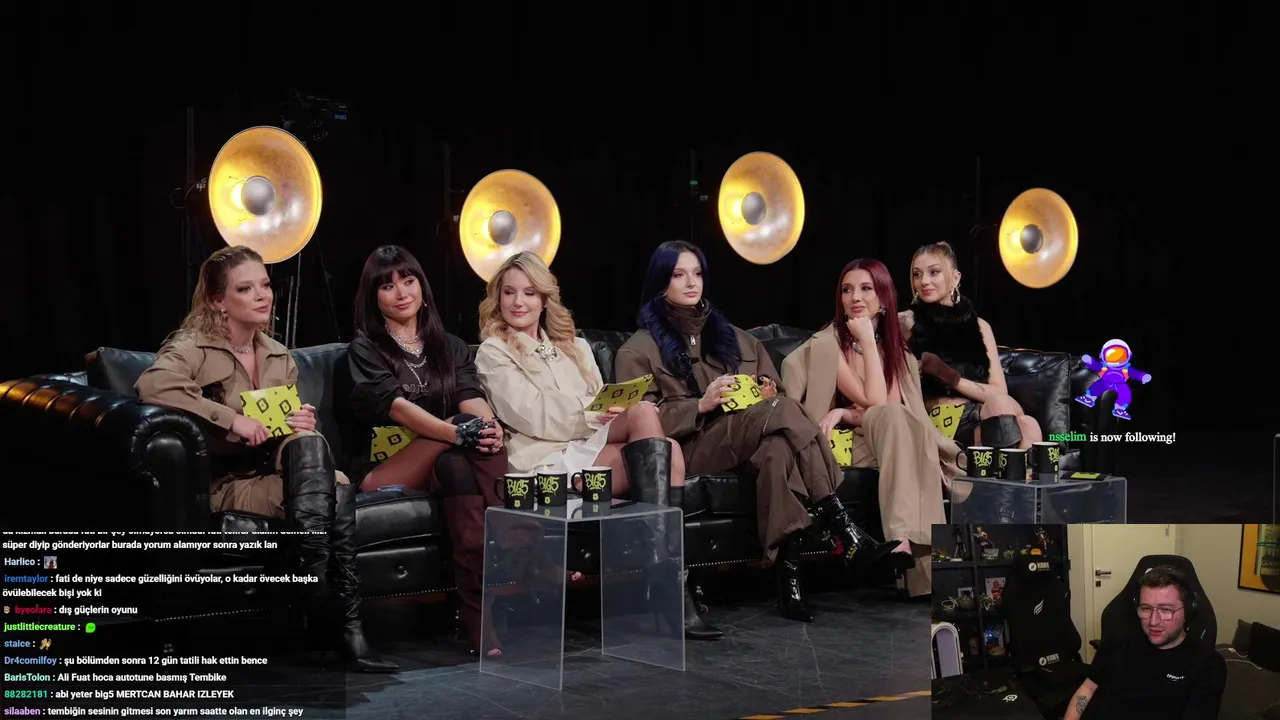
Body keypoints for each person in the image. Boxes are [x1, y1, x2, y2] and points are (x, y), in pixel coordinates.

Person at [615, 240, 907, 624]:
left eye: (697, 273)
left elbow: (778, 396)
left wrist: (766, 392)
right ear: (660, 282)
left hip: (749, 438)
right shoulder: (637, 349)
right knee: (783, 415)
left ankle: (789, 578)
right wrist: (701, 404)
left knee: (779, 448)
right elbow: (643, 426)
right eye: (678, 274)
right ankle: (843, 529)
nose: (691, 282)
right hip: (692, 447)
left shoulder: (738, 338)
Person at [135, 245, 396, 673]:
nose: (262, 296)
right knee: (336, 488)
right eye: (245, 289)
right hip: (227, 484)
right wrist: (231, 419)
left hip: (278, 477)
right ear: (218, 301)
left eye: (265, 285)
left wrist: (297, 422)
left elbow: (280, 430)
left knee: (315, 451)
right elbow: (153, 386)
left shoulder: (278, 354)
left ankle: (321, 598)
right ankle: (341, 621)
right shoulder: (193, 347)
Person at [473, 251, 721, 640]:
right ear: (498, 298)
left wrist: (604, 409)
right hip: (545, 460)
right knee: (656, 434)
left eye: (529, 293)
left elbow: (597, 401)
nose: (518, 302)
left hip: (587, 446)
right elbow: (531, 415)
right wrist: (592, 414)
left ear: (545, 299)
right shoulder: (494, 351)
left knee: (657, 432)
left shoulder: (576, 346)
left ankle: (665, 577)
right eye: (509, 293)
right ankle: (669, 585)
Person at [345, 245, 508, 658]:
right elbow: (399, 409)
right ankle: (522, 539)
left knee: (458, 465)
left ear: (422, 286)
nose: (401, 293)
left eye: (408, 280)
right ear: (373, 297)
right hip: (383, 472)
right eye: (387, 286)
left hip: (443, 463)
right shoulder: (365, 349)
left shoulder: (450, 346)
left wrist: (489, 427)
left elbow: (471, 396)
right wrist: (457, 431)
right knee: (461, 435)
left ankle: (478, 618)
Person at [781, 258, 954, 598]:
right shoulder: (829, 345)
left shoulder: (900, 355)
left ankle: (903, 547)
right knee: (906, 435)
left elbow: (887, 411)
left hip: (885, 440)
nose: (855, 297)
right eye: (847, 290)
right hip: (839, 446)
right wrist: (867, 342)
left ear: (884, 298)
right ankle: (915, 561)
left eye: (865, 289)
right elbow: (875, 401)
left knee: (908, 429)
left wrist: (845, 413)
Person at [902, 242, 1044, 450]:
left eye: (934, 272)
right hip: (937, 421)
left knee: (1025, 422)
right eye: (917, 274)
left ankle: (1005, 467)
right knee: (1018, 422)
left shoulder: (980, 327)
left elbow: (998, 391)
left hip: (979, 414)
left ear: (955, 278)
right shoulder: (906, 323)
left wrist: (949, 376)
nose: (924, 281)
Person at [1065, 566, 1227, 719]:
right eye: (1146, 608)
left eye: (1166, 610)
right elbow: (1088, 688)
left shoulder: (1208, 665)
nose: (1153, 621)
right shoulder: (1118, 640)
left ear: (1188, 611)